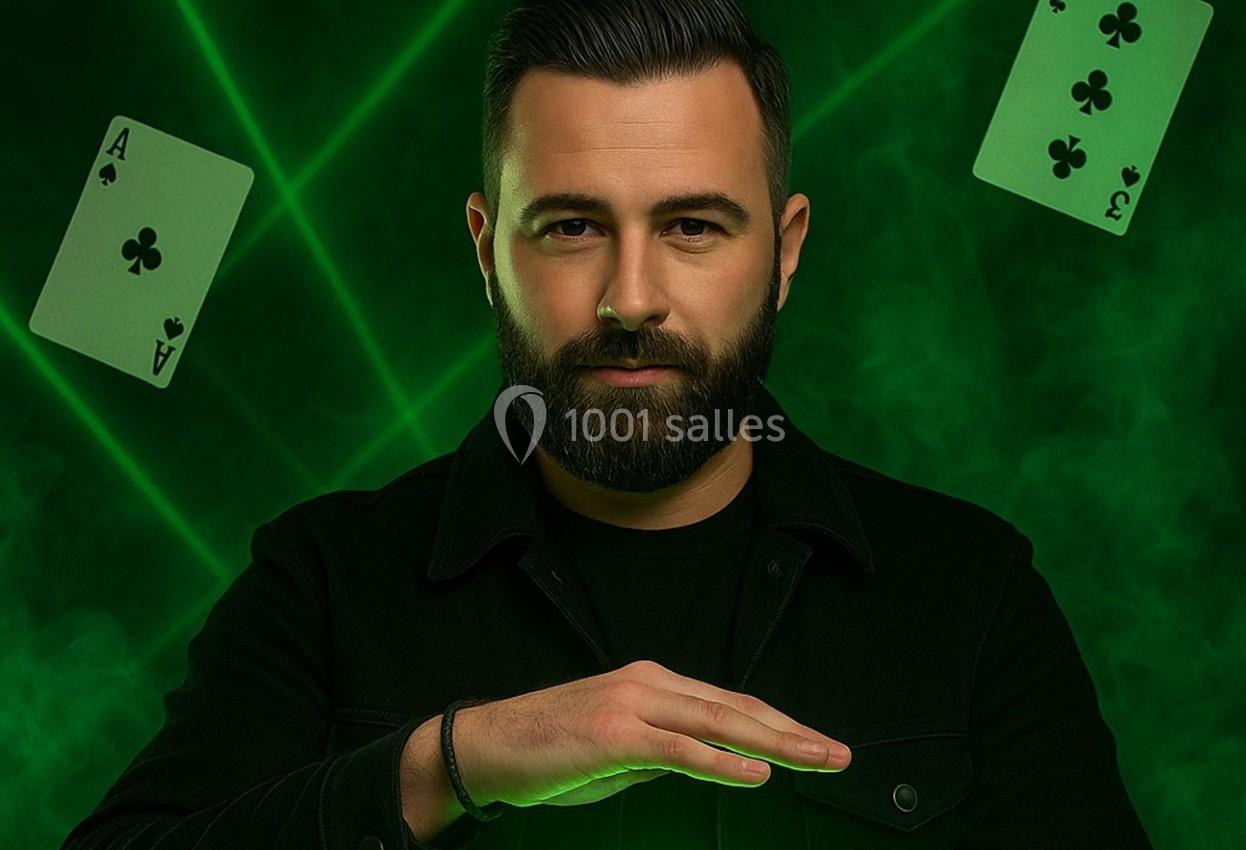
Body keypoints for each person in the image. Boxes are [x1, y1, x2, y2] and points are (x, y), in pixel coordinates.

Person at [61, 1, 1155, 848]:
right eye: (572, 227)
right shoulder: (323, 585)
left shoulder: (968, 594)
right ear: (486, 249)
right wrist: (454, 761)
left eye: (691, 226)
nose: (630, 299)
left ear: (783, 252)